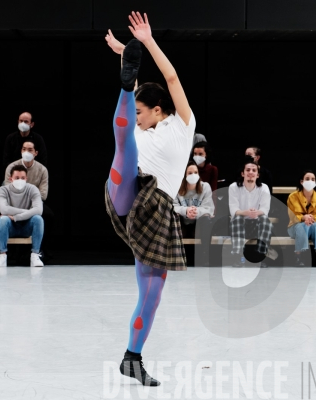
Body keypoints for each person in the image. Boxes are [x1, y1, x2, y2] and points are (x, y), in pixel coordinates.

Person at [104, 12, 195, 386]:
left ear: (159, 110)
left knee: (153, 294)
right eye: (135, 111)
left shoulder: (183, 125)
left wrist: (146, 42)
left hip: (156, 211)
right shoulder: (138, 130)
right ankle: (124, 87)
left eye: (141, 111)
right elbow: (137, 108)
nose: (138, 118)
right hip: (127, 189)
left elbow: (170, 79)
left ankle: (132, 357)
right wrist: (128, 60)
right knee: (124, 147)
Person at [4, 140, 54, 257]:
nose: (26, 152)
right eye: (24, 149)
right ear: (21, 151)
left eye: (30, 150)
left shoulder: (42, 170)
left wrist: (30, 203)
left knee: (48, 215)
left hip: (33, 203)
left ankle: (40, 249)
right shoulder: (11, 167)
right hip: (14, 202)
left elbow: (43, 195)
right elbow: (7, 191)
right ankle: (9, 252)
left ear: (36, 153)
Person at [0, 165, 44, 268]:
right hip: (10, 227)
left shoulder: (33, 189)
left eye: (22, 178)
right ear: (10, 179)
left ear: (26, 178)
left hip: (26, 226)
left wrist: (17, 217)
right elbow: (4, 210)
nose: (20, 180)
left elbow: (39, 210)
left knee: (38, 218)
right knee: (3, 219)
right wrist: (28, 211)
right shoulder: (2, 190)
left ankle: (35, 255)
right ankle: (2, 255)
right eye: (17, 178)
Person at [228, 159, 276, 267]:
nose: (250, 172)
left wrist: (255, 213)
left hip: (256, 224)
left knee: (265, 221)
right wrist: (247, 213)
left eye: (254, 170)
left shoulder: (264, 188)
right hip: (240, 224)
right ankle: (238, 256)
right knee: (237, 218)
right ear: (242, 173)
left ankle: (261, 256)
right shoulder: (233, 187)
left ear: (257, 175)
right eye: (248, 170)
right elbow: (234, 211)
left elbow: (265, 210)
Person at [286, 170, 316, 267]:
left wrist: (310, 218)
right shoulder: (293, 196)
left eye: (313, 179)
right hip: (294, 227)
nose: (310, 181)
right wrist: (303, 218)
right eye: (307, 179)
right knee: (302, 226)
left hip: (313, 225)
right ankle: (299, 256)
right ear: (301, 181)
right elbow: (292, 216)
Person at [173, 161, 214, 239]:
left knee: (206, 219)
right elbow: (173, 206)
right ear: (184, 175)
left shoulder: (205, 186)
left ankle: (205, 251)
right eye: (190, 173)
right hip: (182, 223)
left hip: (198, 223)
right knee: (174, 218)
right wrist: (186, 210)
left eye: (196, 172)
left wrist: (196, 211)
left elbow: (208, 208)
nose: (193, 175)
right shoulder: (177, 187)